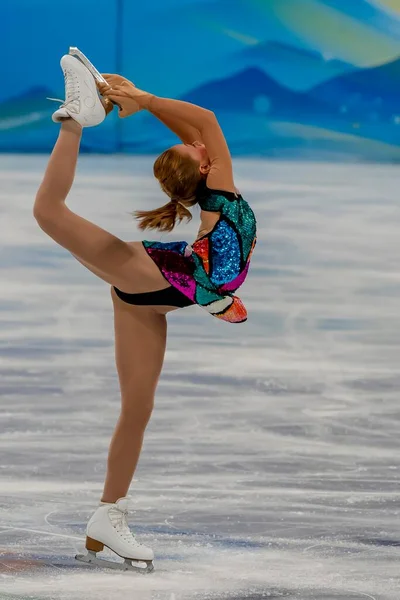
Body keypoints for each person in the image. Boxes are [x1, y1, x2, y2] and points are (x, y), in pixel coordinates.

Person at [33, 54, 257, 572]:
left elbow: (196, 130)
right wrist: (145, 100)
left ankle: (107, 516)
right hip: (155, 277)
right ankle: (75, 118)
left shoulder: (213, 186)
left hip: (159, 295)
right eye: (197, 150)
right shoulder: (220, 187)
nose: (200, 143)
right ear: (205, 168)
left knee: (137, 408)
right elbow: (205, 123)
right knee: (48, 212)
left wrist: (142, 101)